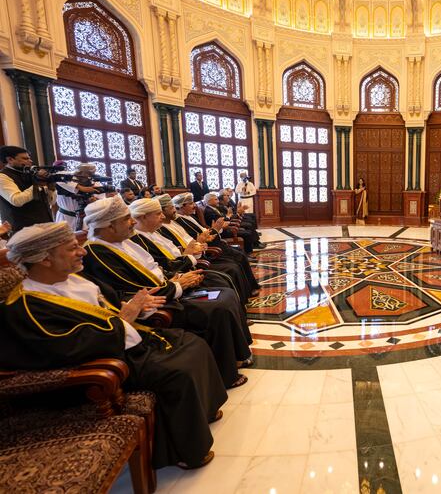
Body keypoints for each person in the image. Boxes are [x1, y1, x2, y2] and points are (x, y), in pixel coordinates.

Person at [0, 222, 228, 469]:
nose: (82, 251)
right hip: (102, 365)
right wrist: (124, 320)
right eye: (73, 248)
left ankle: (203, 412)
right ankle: (185, 450)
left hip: (124, 340)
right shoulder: (24, 306)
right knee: (178, 371)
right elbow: (68, 348)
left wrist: (137, 308)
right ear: (45, 259)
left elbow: (110, 305)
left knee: (193, 343)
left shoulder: (74, 278)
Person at [80, 196, 251, 388]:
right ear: (110, 226)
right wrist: (176, 285)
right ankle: (227, 373)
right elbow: (135, 290)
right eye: (127, 218)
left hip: (169, 288)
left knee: (224, 292)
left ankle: (237, 355)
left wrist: (177, 278)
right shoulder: (97, 251)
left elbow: (156, 268)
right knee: (219, 305)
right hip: (161, 304)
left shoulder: (122, 242)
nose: (133, 222)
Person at [130, 196, 253, 309]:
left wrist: (201, 242)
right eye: (159, 213)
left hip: (189, 264)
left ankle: (245, 300)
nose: (162, 216)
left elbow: (187, 244)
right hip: (180, 275)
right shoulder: (142, 238)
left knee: (232, 266)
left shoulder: (162, 228)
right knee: (228, 275)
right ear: (143, 217)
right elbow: (166, 263)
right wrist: (192, 251)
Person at [157, 194, 259, 297]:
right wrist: (211, 232)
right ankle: (245, 294)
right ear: (181, 206)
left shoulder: (183, 219)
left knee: (238, 257)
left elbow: (201, 233)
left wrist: (212, 232)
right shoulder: (170, 224)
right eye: (172, 207)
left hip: (205, 249)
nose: (194, 206)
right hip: (201, 256)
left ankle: (249, 289)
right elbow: (191, 242)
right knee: (234, 266)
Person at [0, 146, 54, 231]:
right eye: (25, 158)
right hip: (22, 229)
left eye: (29, 158)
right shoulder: (3, 177)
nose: (30, 161)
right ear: (10, 159)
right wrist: (38, 185)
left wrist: (51, 188)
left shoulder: (31, 174)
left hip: (44, 225)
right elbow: (16, 200)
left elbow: (51, 202)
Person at [55, 163, 103, 230]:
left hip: (84, 218)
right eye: (87, 173)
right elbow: (56, 177)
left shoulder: (94, 182)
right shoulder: (68, 179)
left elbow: (102, 199)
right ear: (79, 172)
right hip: (65, 218)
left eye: (91, 174)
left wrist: (94, 201)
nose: (89, 176)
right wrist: (80, 187)